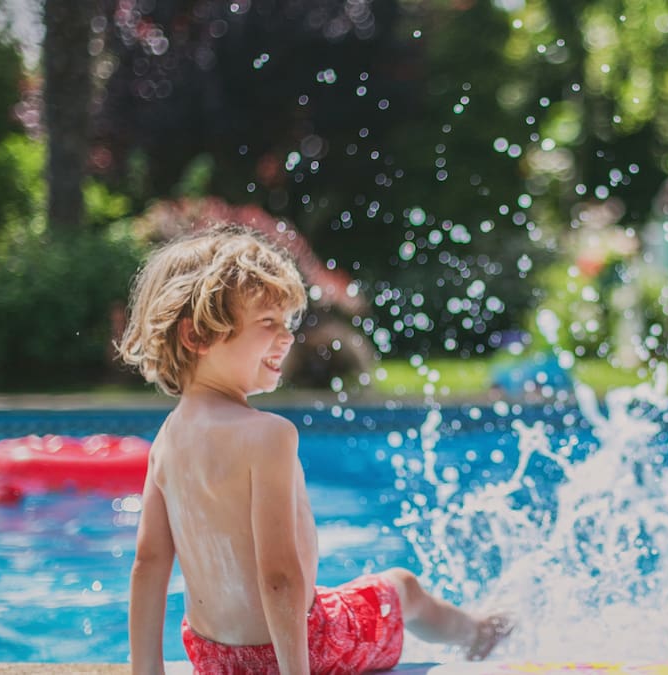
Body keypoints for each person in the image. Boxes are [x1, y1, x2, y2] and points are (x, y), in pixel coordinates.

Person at [118, 226, 510, 675]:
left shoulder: (167, 440)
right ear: (197, 337)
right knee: (402, 586)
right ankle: (480, 634)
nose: (286, 338)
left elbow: (148, 562)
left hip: (213, 657)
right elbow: (279, 577)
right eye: (267, 323)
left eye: (286, 323)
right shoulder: (268, 435)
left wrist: (146, 672)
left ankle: (479, 634)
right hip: (305, 649)